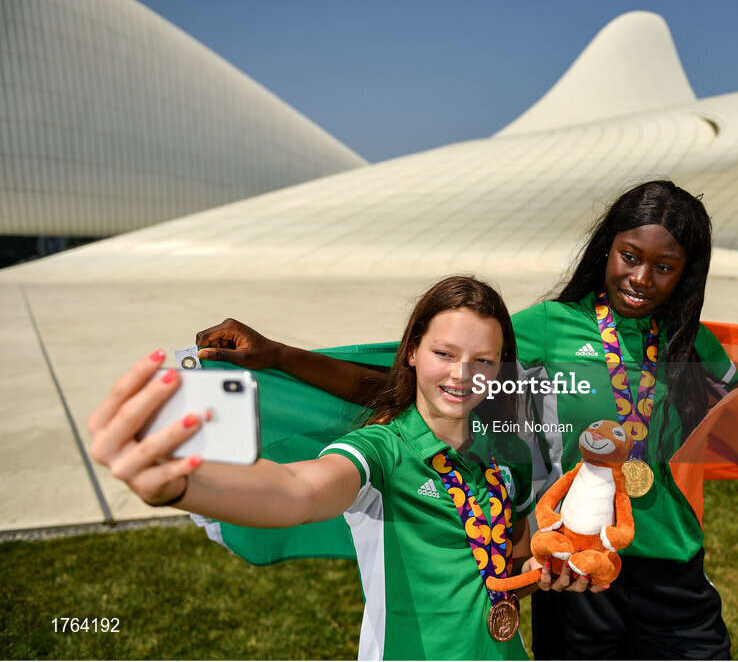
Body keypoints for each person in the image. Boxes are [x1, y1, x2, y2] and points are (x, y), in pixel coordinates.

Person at [193, 181, 738, 659]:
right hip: (569, 568)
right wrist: (277, 353)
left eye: (663, 265)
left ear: (687, 272)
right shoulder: (546, 330)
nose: (641, 277)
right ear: (606, 249)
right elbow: (405, 377)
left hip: (672, 572)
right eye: (629, 254)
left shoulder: (691, 348)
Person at [87, 276, 537, 661]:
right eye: (444, 353)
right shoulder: (382, 448)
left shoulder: (506, 449)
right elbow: (298, 489)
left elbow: (510, 561)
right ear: (413, 351)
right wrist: (183, 483)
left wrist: (548, 568)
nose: (462, 374)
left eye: (483, 360)